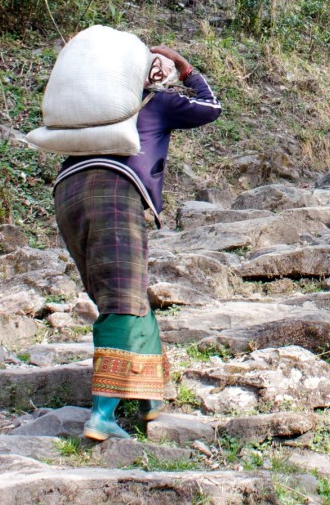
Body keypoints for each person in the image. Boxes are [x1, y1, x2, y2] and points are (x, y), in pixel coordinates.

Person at [53, 44, 221, 441]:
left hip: (67, 192)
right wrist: (187, 69)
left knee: (128, 296)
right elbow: (210, 108)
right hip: (113, 191)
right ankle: (102, 414)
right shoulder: (158, 101)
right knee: (122, 302)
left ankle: (149, 400)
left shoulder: (99, 109)